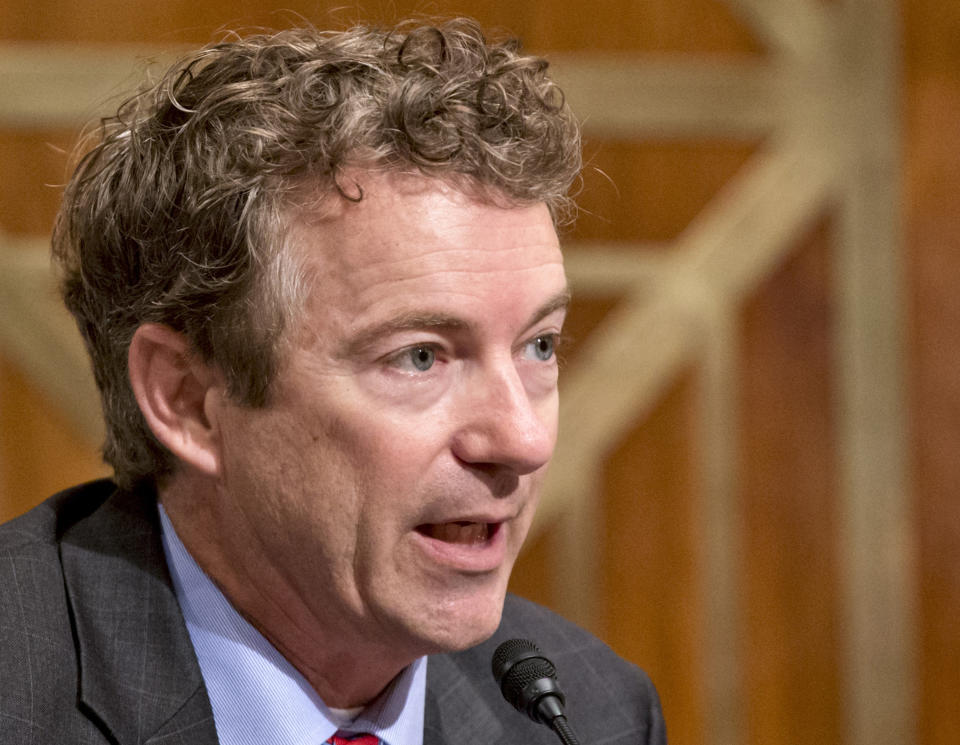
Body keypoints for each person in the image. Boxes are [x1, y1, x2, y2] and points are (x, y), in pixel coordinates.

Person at [0, 18, 666, 745]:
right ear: (188, 400)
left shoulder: (594, 713)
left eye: (539, 345)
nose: (523, 438)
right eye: (421, 357)